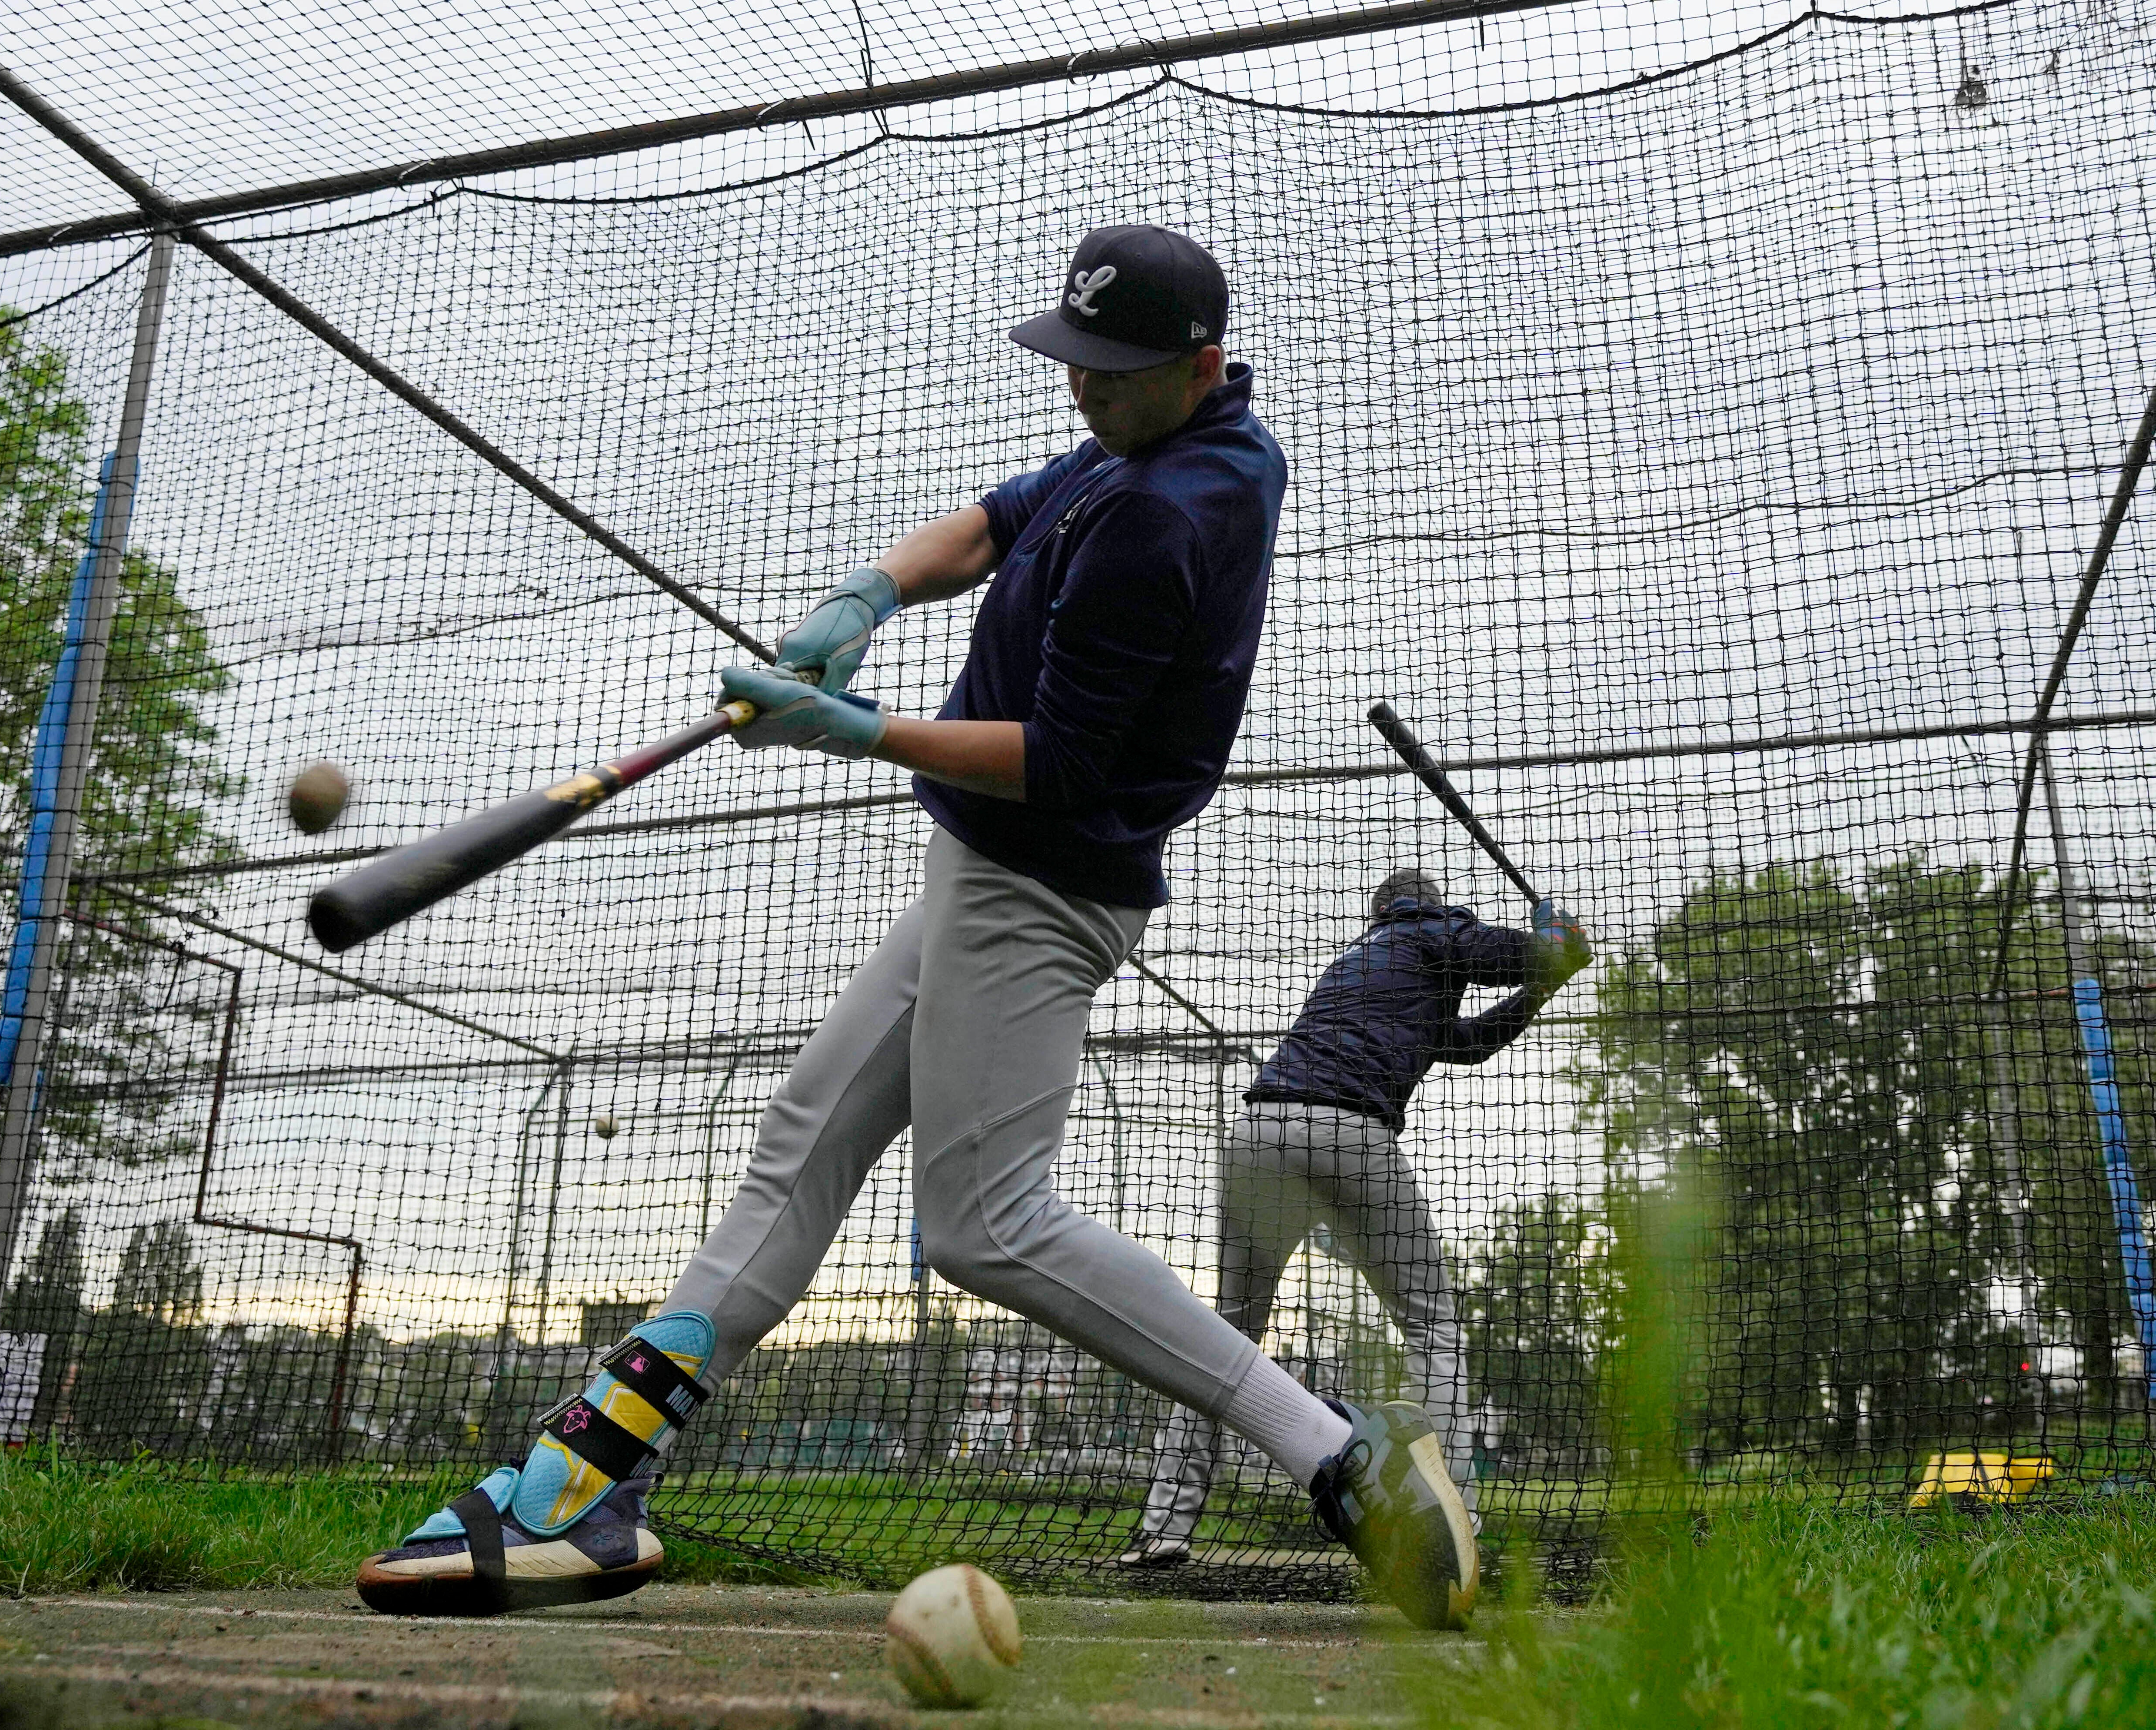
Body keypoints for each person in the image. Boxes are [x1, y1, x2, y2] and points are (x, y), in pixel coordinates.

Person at [360, 225, 1480, 1629]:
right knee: (801, 1148)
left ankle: (1340, 1458)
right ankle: (585, 1488)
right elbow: (995, 523)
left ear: (1197, 368)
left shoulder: (1167, 516)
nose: (1085, 392)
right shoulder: (1146, 442)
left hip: (1040, 887)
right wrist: (870, 595)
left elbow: (1061, 762)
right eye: (1077, 363)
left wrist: (856, 730)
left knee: (983, 1224)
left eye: (1116, 376)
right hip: (987, 874)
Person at [1115, 868, 1588, 1570]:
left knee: (1225, 1338)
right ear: (1420, 908)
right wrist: (1553, 948)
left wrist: (1544, 981)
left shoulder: (1367, 966)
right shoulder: (1430, 931)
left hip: (1259, 1132)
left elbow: (1473, 1039)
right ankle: (1456, 1518)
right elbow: (1503, 955)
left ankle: (1163, 1527)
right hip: (1349, 1133)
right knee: (1434, 1322)